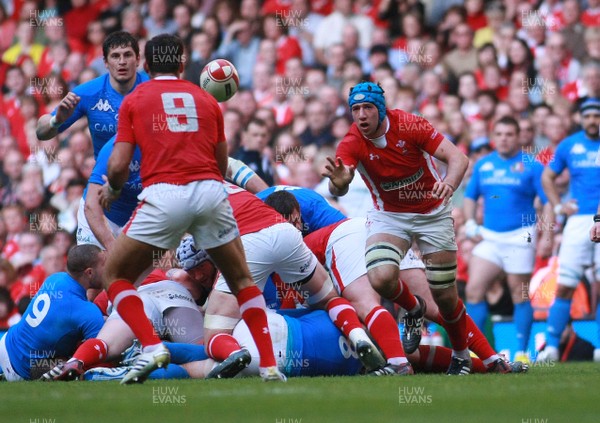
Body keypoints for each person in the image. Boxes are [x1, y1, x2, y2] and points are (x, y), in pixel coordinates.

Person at [97, 34, 284, 383]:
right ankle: (271, 367)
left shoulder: (135, 99)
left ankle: (152, 348)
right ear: (182, 65)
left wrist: (114, 189)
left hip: (165, 194)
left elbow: (119, 164)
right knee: (241, 279)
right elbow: (221, 160)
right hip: (212, 192)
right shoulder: (207, 100)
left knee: (115, 275)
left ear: (145, 65)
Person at [321, 81, 473, 375]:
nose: (361, 115)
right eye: (355, 109)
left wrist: (449, 184)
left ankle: (461, 355)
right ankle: (413, 308)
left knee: (444, 296)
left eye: (367, 108)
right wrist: (337, 182)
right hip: (389, 215)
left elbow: (458, 158)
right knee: (380, 277)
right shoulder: (351, 141)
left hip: (432, 211)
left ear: (380, 109)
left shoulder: (410, 125)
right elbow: (339, 185)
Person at [202, 183, 388, 378]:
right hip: (284, 232)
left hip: (249, 240)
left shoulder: (182, 193)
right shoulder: (228, 184)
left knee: (215, 331)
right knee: (329, 299)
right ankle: (357, 335)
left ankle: (235, 353)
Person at [464, 116, 552, 363]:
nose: (504, 138)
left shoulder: (532, 165)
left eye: (509, 134)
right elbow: (470, 197)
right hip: (490, 236)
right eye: (499, 134)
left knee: (520, 295)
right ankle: (477, 352)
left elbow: (548, 202)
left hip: (520, 236)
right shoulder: (483, 165)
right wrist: (471, 223)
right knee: (473, 290)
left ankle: (522, 353)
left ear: (519, 137)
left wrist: (546, 233)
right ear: (494, 137)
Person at [538, 98, 600, 363]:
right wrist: (559, 206)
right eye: (588, 117)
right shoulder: (569, 145)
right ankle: (552, 346)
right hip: (577, 222)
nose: (592, 121)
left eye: (597, 116)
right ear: (580, 119)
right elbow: (547, 177)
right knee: (565, 284)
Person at [0, 245, 105, 381]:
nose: (107, 269)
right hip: (24, 368)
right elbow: (101, 351)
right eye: (104, 265)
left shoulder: (55, 278)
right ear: (89, 272)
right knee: (80, 367)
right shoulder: (88, 312)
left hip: (8, 342)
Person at [36, 31, 148, 158]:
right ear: (105, 62)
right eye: (115, 56)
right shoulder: (88, 92)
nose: (122, 61)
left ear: (138, 59)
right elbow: (41, 132)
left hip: (148, 174)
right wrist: (56, 121)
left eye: (127, 55)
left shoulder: (154, 89)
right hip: (106, 175)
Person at [76, 135, 142, 250]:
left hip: (138, 219)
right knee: (98, 263)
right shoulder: (113, 149)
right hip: (102, 216)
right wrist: (113, 249)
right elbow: (91, 205)